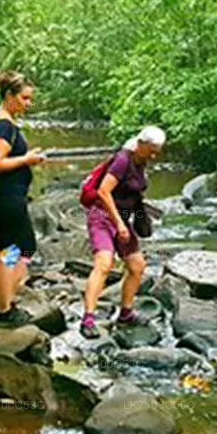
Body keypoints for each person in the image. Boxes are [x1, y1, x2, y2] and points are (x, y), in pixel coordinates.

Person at [80, 126, 165, 338]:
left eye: (158, 150)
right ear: (141, 144)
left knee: (137, 266)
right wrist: (118, 224)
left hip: (122, 220)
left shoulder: (141, 162)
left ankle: (125, 313)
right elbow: (103, 191)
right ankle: (88, 319)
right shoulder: (122, 160)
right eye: (152, 149)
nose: (154, 155)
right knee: (104, 263)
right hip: (102, 217)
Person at [0, 70, 46, 328]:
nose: (28, 104)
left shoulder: (5, 122)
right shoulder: (3, 125)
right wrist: (27, 159)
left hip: (13, 195)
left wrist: (27, 158)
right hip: (6, 197)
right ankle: (4, 309)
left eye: (30, 99)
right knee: (10, 251)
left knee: (26, 246)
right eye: (25, 98)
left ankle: (7, 298)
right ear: (9, 96)